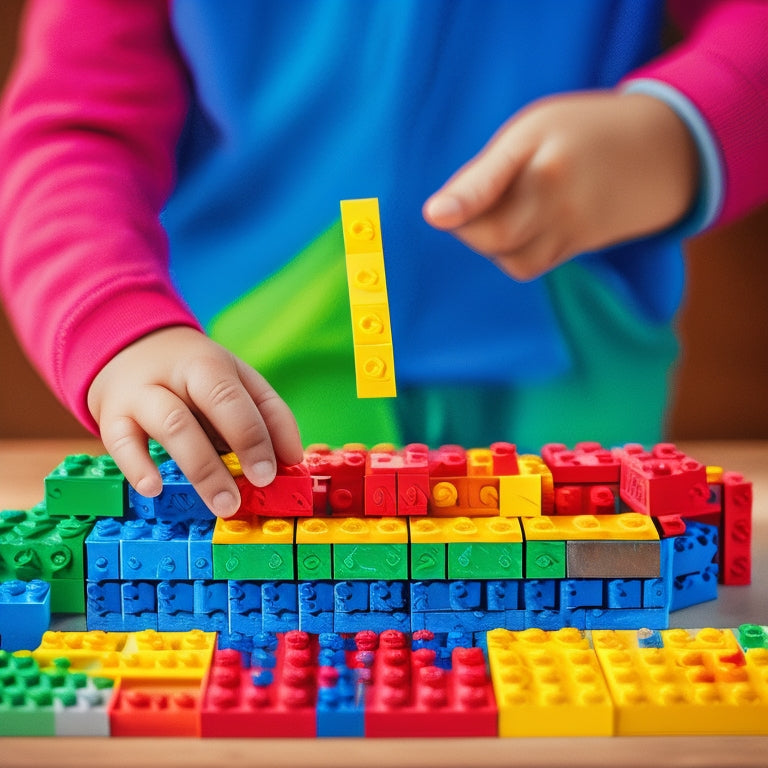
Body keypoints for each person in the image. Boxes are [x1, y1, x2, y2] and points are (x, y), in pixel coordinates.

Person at [0, 1, 766, 518]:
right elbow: (73, 131)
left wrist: (680, 129)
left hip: (572, 342)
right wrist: (121, 328)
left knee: (595, 648)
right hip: (251, 371)